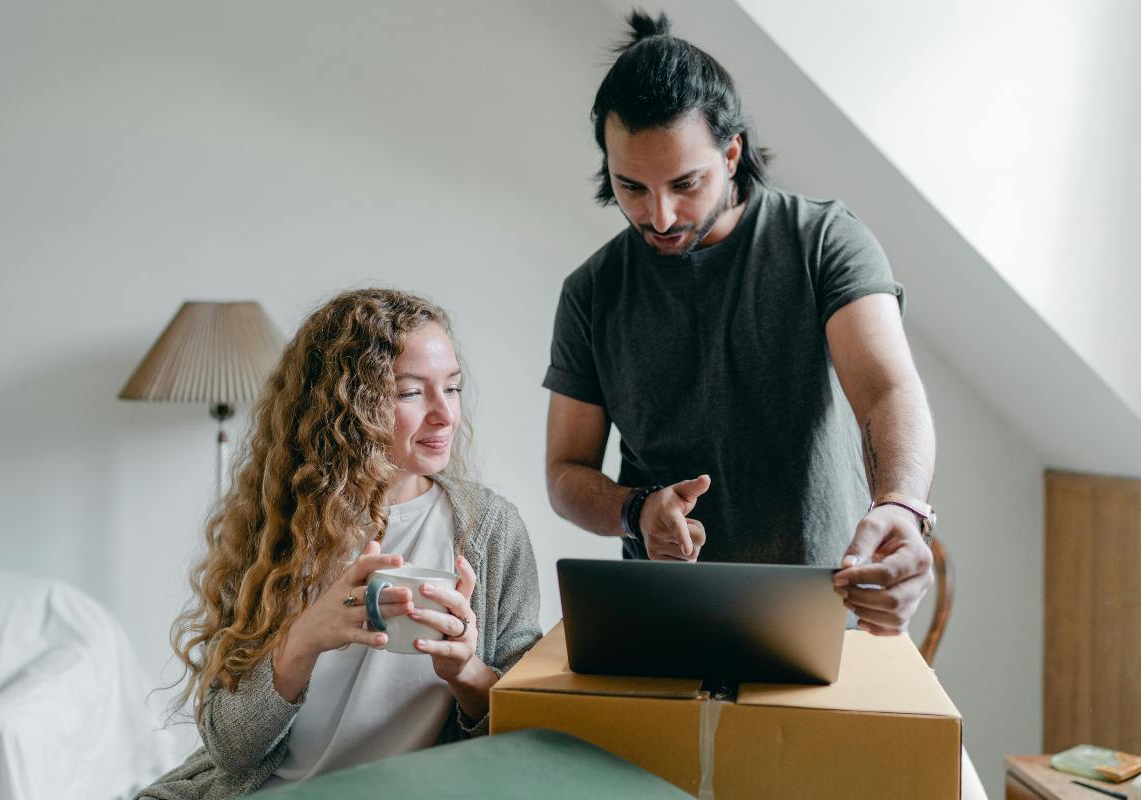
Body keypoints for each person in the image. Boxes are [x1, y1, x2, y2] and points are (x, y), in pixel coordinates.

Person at [544, 11, 937, 636]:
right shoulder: (592, 292)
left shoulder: (824, 241)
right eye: (632, 187)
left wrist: (901, 506)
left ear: (732, 153)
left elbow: (888, 388)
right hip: (663, 620)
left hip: (824, 612)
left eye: (685, 183)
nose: (662, 215)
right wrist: (636, 511)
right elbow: (565, 473)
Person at [139, 289, 541, 799]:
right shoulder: (280, 527)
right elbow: (231, 752)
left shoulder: (490, 530)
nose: (445, 415)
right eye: (411, 393)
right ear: (346, 406)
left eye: (453, 388)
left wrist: (466, 671)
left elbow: (526, 734)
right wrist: (301, 641)